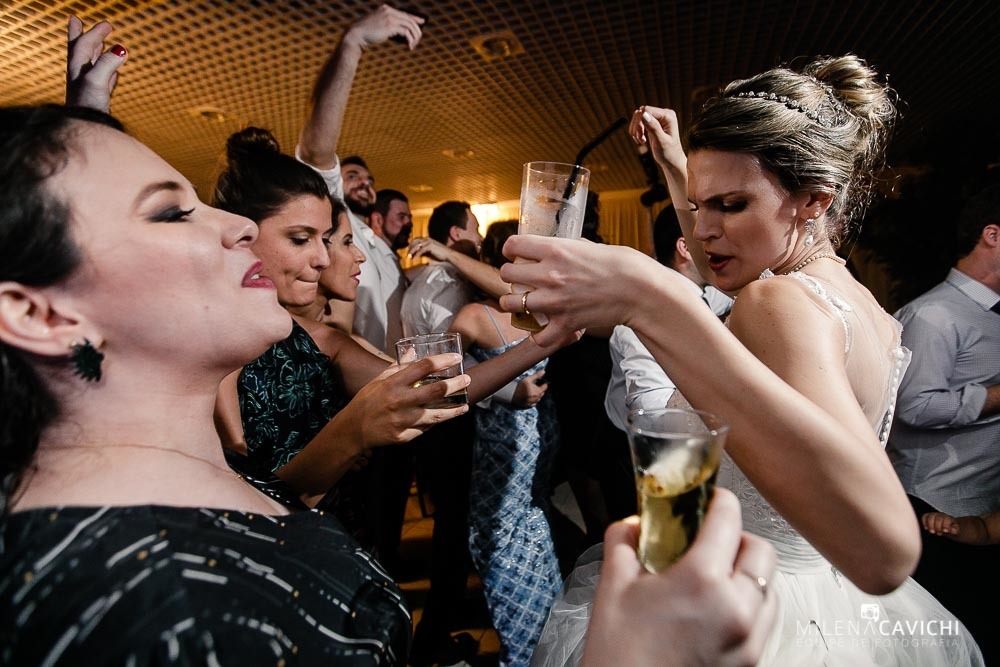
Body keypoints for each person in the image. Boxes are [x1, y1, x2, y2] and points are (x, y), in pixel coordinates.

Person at [0, 17, 782, 667]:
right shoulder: (128, 604)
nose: (236, 226)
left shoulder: (207, 489)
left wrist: (81, 135)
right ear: (38, 313)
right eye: (172, 211)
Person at [503, 55, 983, 665]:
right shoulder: (859, 303)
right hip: (830, 598)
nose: (702, 230)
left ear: (813, 201)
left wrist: (651, 299)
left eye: (729, 205)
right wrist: (676, 168)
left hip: (761, 606)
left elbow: (884, 547)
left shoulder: (776, 302)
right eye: (699, 205)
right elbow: (720, 258)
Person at [887, 183, 1000, 662]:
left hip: (983, 516)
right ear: (992, 235)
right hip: (933, 512)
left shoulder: (989, 315)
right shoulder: (934, 315)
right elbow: (913, 406)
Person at [447, 222, 561, 666]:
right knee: (499, 542)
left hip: (540, 457)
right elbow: (445, 376)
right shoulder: (474, 316)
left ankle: (545, 648)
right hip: (500, 456)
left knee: (532, 535)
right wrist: (507, 392)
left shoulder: (545, 312)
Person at [297, 5, 424, 355]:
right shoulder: (336, 217)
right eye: (352, 176)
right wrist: (353, 43)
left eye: (369, 179)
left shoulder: (372, 245)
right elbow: (315, 151)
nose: (365, 184)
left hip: (388, 368)